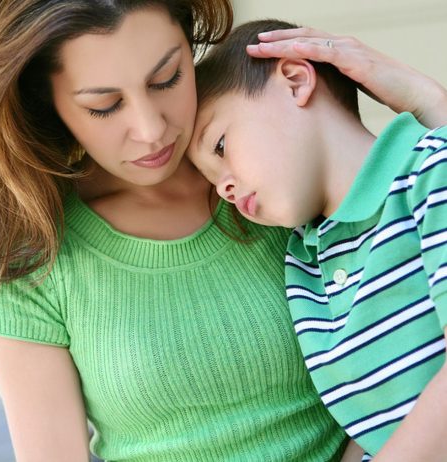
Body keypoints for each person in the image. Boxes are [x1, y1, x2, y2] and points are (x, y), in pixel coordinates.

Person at [0, 0, 447, 460]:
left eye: (167, 78)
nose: (152, 129)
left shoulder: (277, 184)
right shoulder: (32, 251)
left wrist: (430, 103)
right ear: (48, 106)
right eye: (104, 105)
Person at [187, 18, 447, 461]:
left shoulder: (429, 172)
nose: (223, 189)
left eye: (220, 147)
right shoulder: (303, 262)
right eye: (212, 181)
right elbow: (366, 424)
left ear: (293, 80)